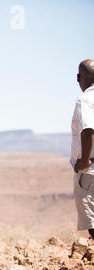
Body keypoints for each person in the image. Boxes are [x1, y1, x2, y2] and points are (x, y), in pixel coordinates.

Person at [71, 59, 94, 239]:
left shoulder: (85, 99)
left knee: (93, 224)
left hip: (91, 171)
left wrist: (85, 161)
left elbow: (87, 131)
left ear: (79, 77)